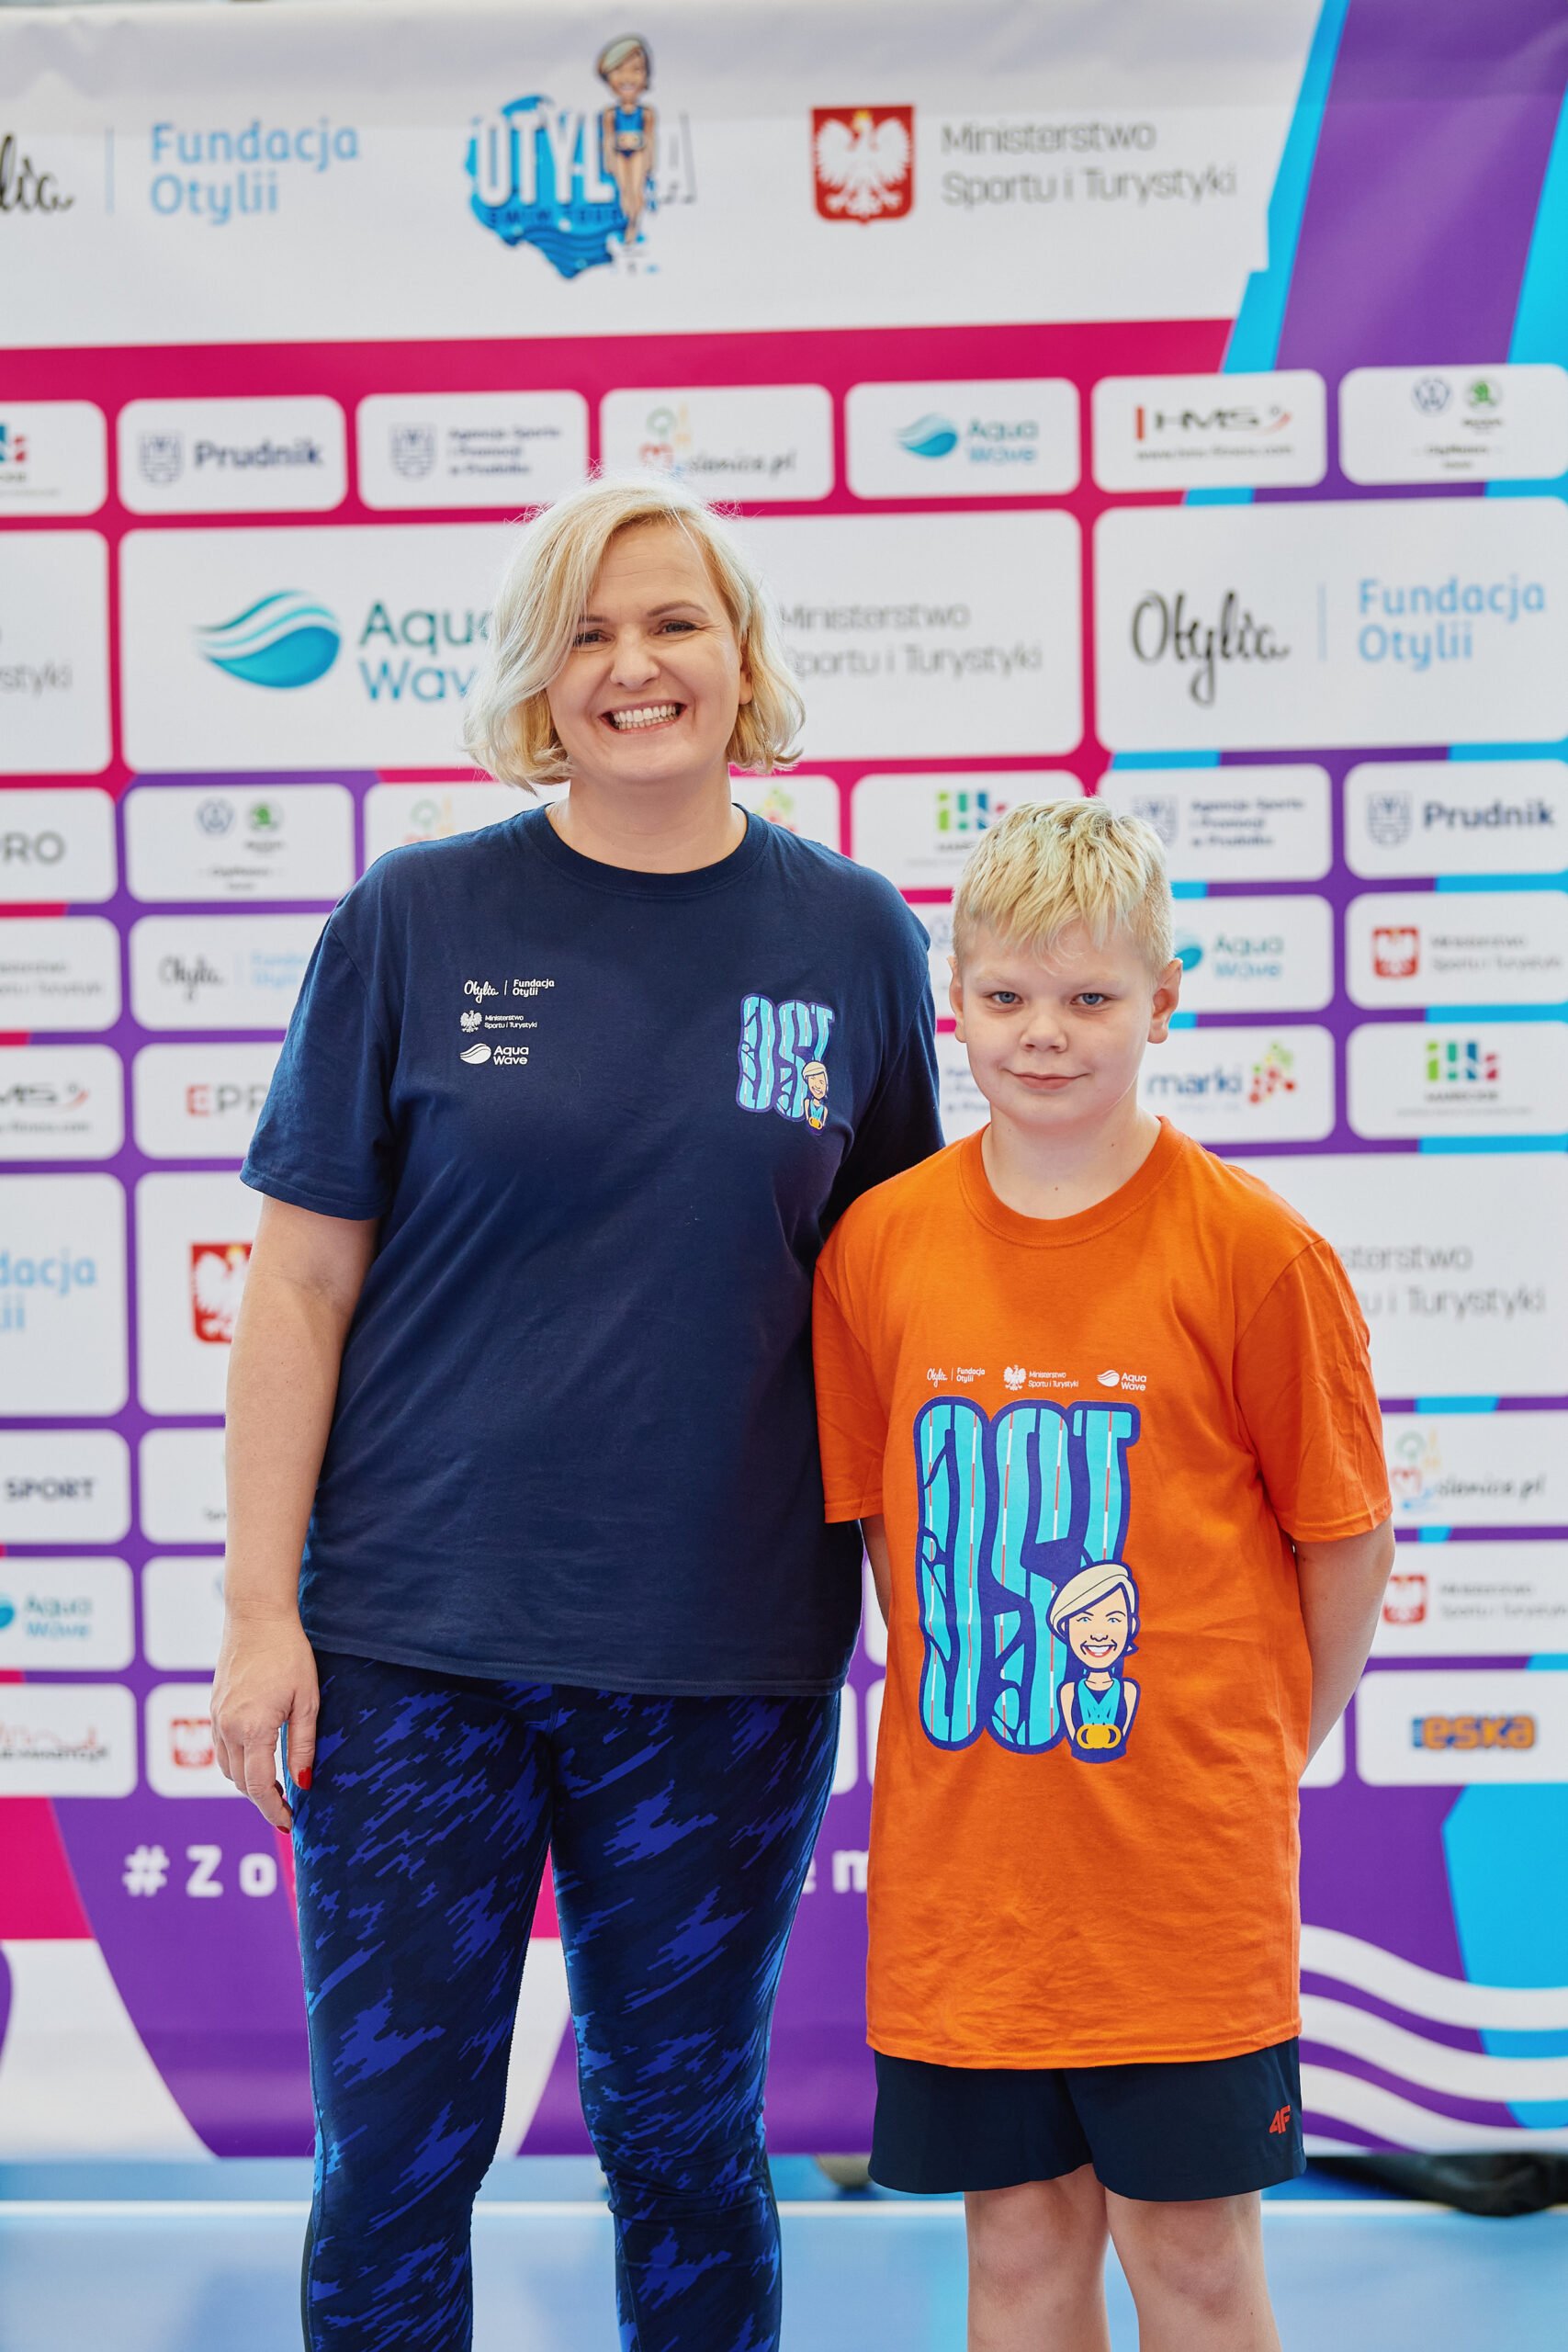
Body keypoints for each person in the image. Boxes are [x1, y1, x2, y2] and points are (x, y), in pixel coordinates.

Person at [209, 474, 942, 2352]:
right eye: (587, 633)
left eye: (673, 621)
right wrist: (259, 1612)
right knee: (396, 2158)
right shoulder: (413, 917)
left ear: (741, 655)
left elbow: (894, 1311)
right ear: (537, 678)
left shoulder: (855, 936)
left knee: (686, 2146)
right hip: (414, 1650)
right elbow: (297, 1287)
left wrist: (920, 1620)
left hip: (723, 1655)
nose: (634, 666)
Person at [812, 800, 1393, 2352]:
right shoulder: (878, 1248)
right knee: (1014, 2253)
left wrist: (1258, 1750)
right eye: (1006, 995)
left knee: (1190, 2260)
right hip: (971, 1886)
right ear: (954, 1000)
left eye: (1088, 997)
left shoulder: (1252, 1252)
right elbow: (890, 1542)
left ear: (1162, 999)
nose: (1044, 1034)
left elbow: (1344, 1541)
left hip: (1178, 1886)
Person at [597, 35, 656, 252]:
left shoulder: (646, 113)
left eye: (636, 70)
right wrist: (609, 160)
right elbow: (608, 140)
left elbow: (649, 139)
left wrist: (649, 162)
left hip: (638, 154)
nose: (627, 78)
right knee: (625, 191)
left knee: (636, 189)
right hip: (619, 155)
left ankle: (634, 226)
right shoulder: (610, 114)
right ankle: (627, 227)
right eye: (619, 70)